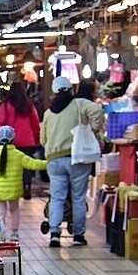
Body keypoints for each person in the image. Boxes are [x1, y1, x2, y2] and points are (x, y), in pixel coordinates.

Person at [40, 76, 105, 248]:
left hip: (54, 160)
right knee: (78, 198)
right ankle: (78, 235)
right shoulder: (79, 104)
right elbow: (98, 111)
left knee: (57, 198)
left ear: (54, 92)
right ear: (71, 89)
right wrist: (91, 130)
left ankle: (55, 233)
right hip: (77, 158)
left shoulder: (48, 113)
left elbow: (43, 140)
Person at [0, 125, 47, 242]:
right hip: (14, 191)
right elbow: (34, 163)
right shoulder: (18, 155)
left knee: (0, 212)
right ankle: (15, 233)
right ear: (13, 139)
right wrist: (49, 163)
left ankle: (1, 235)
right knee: (14, 210)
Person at [0, 82, 41, 200]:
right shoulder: (29, 106)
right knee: (27, 165)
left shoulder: (6, 106)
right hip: (28, 141)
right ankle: (27, 186)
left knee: (11, 166)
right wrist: (37, 139)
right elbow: (35, 124)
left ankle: (13, 189)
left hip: (11, 141)